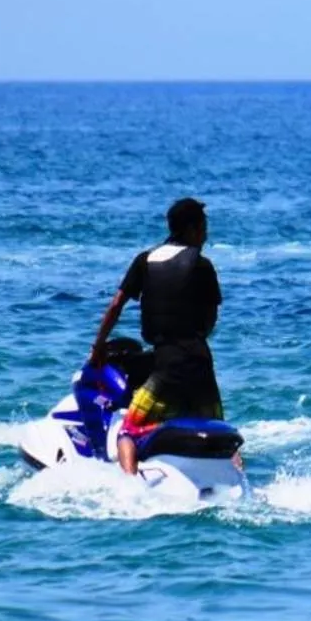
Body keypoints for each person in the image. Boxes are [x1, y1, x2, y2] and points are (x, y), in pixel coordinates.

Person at [86, 197, 225, 475]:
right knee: (219, 438)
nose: (206, 235)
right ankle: (238, 480)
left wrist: (98, 347)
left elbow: (115, 305)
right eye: (203, 228)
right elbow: (209, 321)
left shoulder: (145, 260)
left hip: (166, 364)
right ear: (190, 229)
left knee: (128, 432)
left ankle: (130, 486)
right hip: (200, 364)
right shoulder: (203, 265)